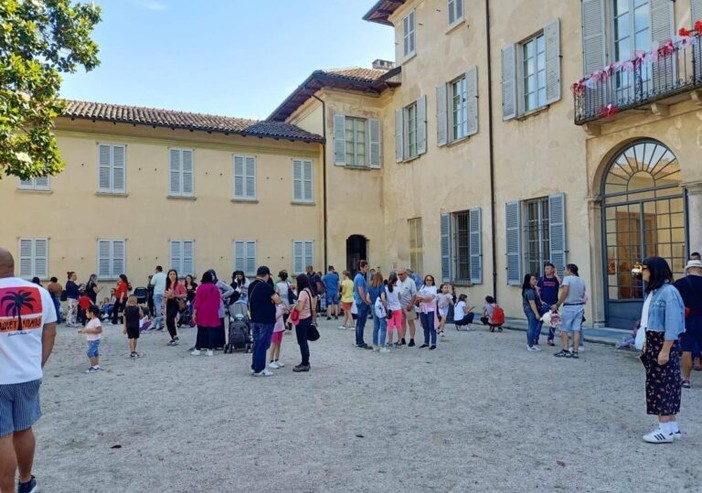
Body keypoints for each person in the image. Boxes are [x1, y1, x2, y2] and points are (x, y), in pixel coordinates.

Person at [0, 247, 57, 493]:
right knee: (24, 429)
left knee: (2, 437)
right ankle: (25, 482)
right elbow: (50, 331)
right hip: (29, 375)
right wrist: (38, 364)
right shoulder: (39, 292)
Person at [635, 256, 685, 443]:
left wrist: (665, 350)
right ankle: (671, 426)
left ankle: (664, 429)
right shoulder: (658, 292)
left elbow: (673, 324)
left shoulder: (668, 292)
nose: (643, 272)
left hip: (663, 343)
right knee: (666, 383)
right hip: (656, 341)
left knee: (662, 386)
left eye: (646, 269)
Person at [248, 266, 282, 376]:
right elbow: (278, 299)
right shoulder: (266, 286)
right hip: (266, 319)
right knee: (263, 344)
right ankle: (260, 369)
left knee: (257, 343)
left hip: (254, 318)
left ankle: (254, 366)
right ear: (266, 275)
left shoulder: (251, 286)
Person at [674, 259, 702, 389]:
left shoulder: (680, 284)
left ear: (688, 269)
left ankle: (686, 379)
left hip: (688, 320)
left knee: (687, 350)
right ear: (700, 269)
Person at [552, 264, 587, 359]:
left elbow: (565, 292)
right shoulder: (581, 280)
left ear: (570, 270)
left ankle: (565, 350)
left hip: (569, 306)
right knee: (576, 329)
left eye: (565, 269)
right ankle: (576, 351)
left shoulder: (567, 279)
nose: (564, 271)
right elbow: (583, 293)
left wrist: (558, 304)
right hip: (579, 306)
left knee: (564, 329)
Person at [192, 271, 221, 357]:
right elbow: (218, 300)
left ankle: (198, 348)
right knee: (211, 330)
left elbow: (197, 301)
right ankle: (210, 349)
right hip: (213, 310)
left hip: (202, 310)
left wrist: (194, 313)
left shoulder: (201, 287)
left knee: (201, 330)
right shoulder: (215, 288)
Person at [292, 274, 315, 372]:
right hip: (308, 317)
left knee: (302, 342)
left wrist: (294, 305)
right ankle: (306, 361)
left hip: (302, 319)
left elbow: (299, 308)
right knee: (304, 341)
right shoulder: (308, 291)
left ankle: (305, 363)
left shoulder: (302, 293)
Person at [536, 263, 560, 346]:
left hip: (554, 304)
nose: (546, 270)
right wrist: (540, 300)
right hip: (544, 304)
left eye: (548, 269)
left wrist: (556, 275)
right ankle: (536, 338)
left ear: (553, 270)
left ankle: (550, 339)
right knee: (540, 321)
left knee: (553, 322)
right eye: (545, 269)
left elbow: (562, 285)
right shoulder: (541, 279)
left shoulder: (556, 279)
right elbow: (537, 290)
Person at [353, 260, 372, 349]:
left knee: (359, 323)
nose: (367, 269)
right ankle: (360, 341)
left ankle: (358, 340)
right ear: (361, 267)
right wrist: (366, 301)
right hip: (362, 303)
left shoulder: (359, 277)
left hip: (359, 302)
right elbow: (361, 291)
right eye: (366, 267)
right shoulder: (360, 278)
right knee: (361, 323)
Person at [78, 304, 103, 373]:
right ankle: (96, 365)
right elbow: (87, 329)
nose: (86, 314)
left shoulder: (96, 320)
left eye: (87, 312)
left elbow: (99, 330)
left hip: (94, 340)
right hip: (91, 340)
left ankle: (94, 366)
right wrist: (82, 330)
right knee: (95, 353)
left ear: (91, 313)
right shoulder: (91, 321)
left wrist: (90, 331)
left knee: (90, 352)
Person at [164, 269, 185, 346]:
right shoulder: (167, 284)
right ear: (168, 276)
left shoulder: (179, 284)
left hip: (176, 302)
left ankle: (175, 337)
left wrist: (175, 295)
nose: (172, 276)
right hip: (169, 302)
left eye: (174, 274)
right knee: (167, 321)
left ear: (176, 275)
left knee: (170, 318)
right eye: (170, 274)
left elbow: (184, 294)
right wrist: (166, 296)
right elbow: (165, 294)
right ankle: (173, 337)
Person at [397, 268, 418, 346]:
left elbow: (414, 294)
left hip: (408, 305)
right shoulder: (398, 282)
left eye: (401, 274)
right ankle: (402, 338)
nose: (400, 276)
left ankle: (412, 339)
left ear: (405, 274)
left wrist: (411, 304)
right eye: (399, 274)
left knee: (410, 322)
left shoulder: (411, 281)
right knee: (402, 322)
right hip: (399, 305)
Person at [416, 274, 438, 349]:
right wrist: (424, 298)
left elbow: (431, 298)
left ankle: (433, 343)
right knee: (425, 326)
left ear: (432, 281)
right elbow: (417, 295)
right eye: (427, 280)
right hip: (423, 309)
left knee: (431, 326)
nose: (428, 281)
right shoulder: (422, 287)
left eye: (430, 280)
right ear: (425, 281)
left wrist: (422, 298)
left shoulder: (434, 288)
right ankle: (426, 342)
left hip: (430, 309)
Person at [522, 274, 543, 351]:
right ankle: (530, 344)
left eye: (535, 279)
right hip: (531, 310)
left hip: (530, 309)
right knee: (532, 327)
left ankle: (530, 344)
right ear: (529, 281)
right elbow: (532, 303)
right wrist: (536, 314)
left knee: (532, 326)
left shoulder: (532, 289)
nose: (535, 280)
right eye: (533, 279)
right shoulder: (530, 291)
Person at [368, 271, 388, 351]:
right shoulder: (381, 286)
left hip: (373, 306)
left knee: (376, 326)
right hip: (380, 307)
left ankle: (375, 345)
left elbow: (367, 298)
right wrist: (386, 305)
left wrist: (372, 303)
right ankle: (382, 346)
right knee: (383, 326)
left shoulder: (370, 286)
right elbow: (383, 298)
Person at [385, 272, 403, 348]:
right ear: (396, 281)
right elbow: (400, 298)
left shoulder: (385, 289)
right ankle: (399, 341)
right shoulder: (397, 288)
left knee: (390, 326)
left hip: (390, 310)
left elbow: (385, 299)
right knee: (399, 326)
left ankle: (390, 341)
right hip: (398, 309)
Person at [268, 302, 288, 368]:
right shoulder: (271, 307)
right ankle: (271, 360)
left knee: (278, 344)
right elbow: (274, 318)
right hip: (274, 328)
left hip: (280, 327)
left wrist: (287, 308)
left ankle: (277, 359)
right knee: (273, 344)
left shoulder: (280, 305)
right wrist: (281, 313)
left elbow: (287, 312)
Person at [150, 266, 167, 331]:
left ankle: (159, 324)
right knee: (164, 308)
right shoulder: (165, 275)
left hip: (157, 293)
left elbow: (152, 283)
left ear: (157, 270)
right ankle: (164, 323)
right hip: (164, 293)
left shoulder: (155, 275)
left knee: (158, 308)